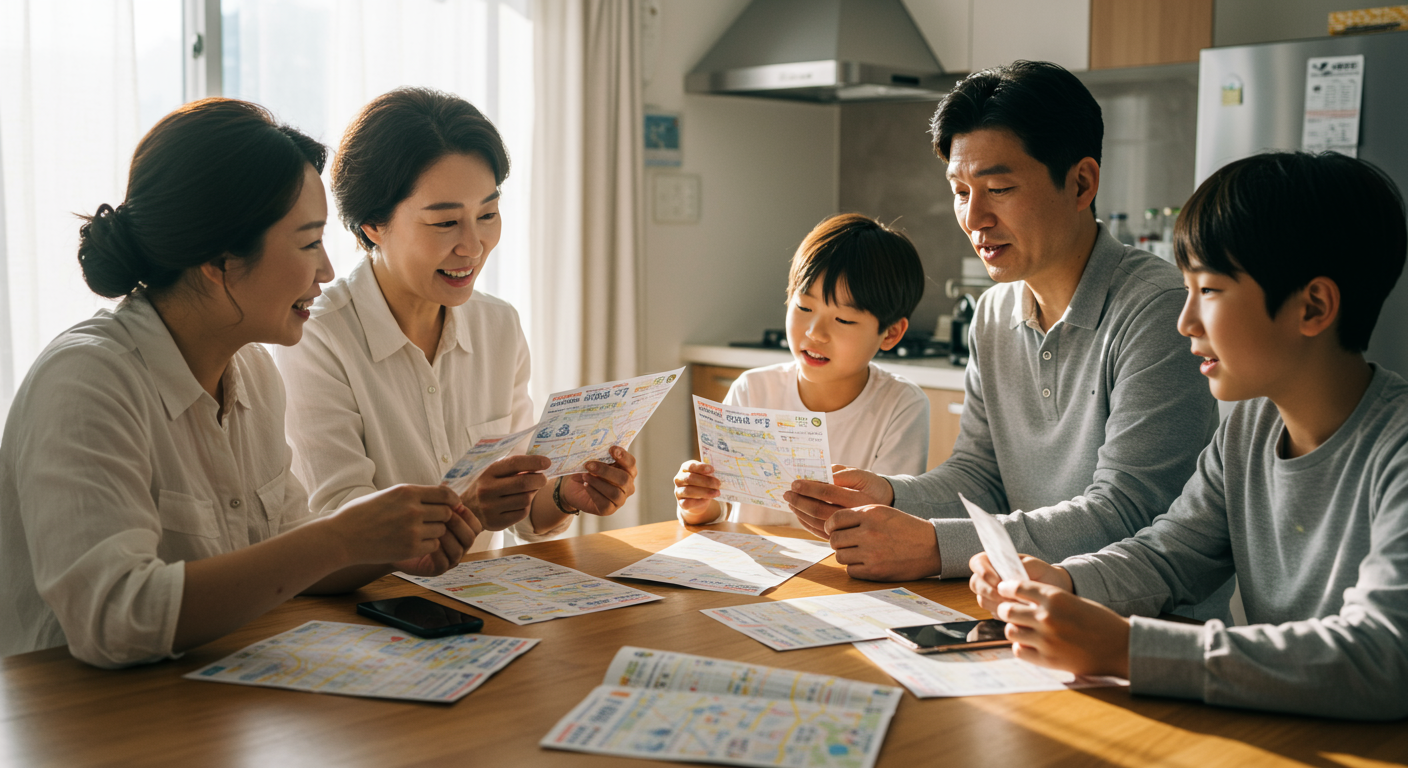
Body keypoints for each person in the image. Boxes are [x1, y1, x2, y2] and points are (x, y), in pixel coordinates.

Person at [0, 99, 480, 667]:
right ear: (219, 261)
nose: (327, 270)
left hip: (205, 702)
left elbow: (289, 556)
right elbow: (114, 619)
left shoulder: (251, 371)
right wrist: (339, 539)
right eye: (308, 243)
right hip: (84, 724)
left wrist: (392, 545)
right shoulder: (86, 382)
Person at [970, 151, 1408, 720]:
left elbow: (1380, 657)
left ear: (1314, 306)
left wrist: (1131, 650)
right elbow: (1170, 557)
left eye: (1211, 291)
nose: (1185, 322)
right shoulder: (1249, 429)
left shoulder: (1395, 449)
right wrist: (1063, 582)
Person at [785, 62, 1223, 617]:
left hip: (1135, 628)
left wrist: (932, 545)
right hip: (1020, 608)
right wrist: (889, 495)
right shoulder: (993, 312)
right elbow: (980, 477)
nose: (974, 217)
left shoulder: (1156, 308)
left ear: (1082, 182)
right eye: (960, 191)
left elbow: (1128, 511)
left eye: (999, 188)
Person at [275, 88, 637, 550]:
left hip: (482, 605)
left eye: (488, 214)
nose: (474, 245)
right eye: (445, 223)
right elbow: (340, 520)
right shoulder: (317, 336)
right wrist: (468, 508)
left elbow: (523, 504)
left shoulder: (498, 326)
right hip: (373, 609)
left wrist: (567, 494)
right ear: (373, 226)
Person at [673, 214, 930, 529]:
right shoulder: (752, 390)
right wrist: (698, 504)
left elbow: (889, 524)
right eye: (804, 308)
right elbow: (720, 510)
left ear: (890, 333)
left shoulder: (901, 406)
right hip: (757, 572)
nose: (815, 332)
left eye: (844, 320)